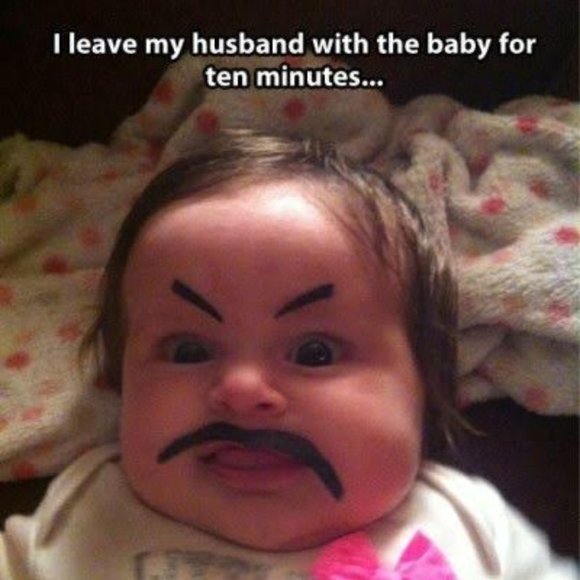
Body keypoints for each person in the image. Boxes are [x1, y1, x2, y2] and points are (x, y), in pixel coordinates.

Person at [0, 132, 575, 579]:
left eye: (315, 352)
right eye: (188, 349)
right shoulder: (85, 521)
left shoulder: (468, 527)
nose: (242, 389)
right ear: (118, 378)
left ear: (425, 385)